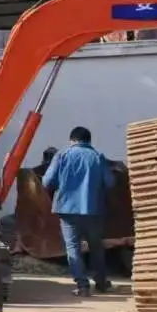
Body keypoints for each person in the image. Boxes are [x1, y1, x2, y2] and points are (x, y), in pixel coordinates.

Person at [42, 126, 117, 296]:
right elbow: (110, 182)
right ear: (89, 141)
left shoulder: (62, 155)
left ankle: (82, 286)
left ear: (72, 140)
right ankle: (101, 283)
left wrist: (62, 184)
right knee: (96, 247)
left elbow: (47, 182)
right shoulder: (98, 156)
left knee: (73, 248)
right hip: (93, 209)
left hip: (67, 210)